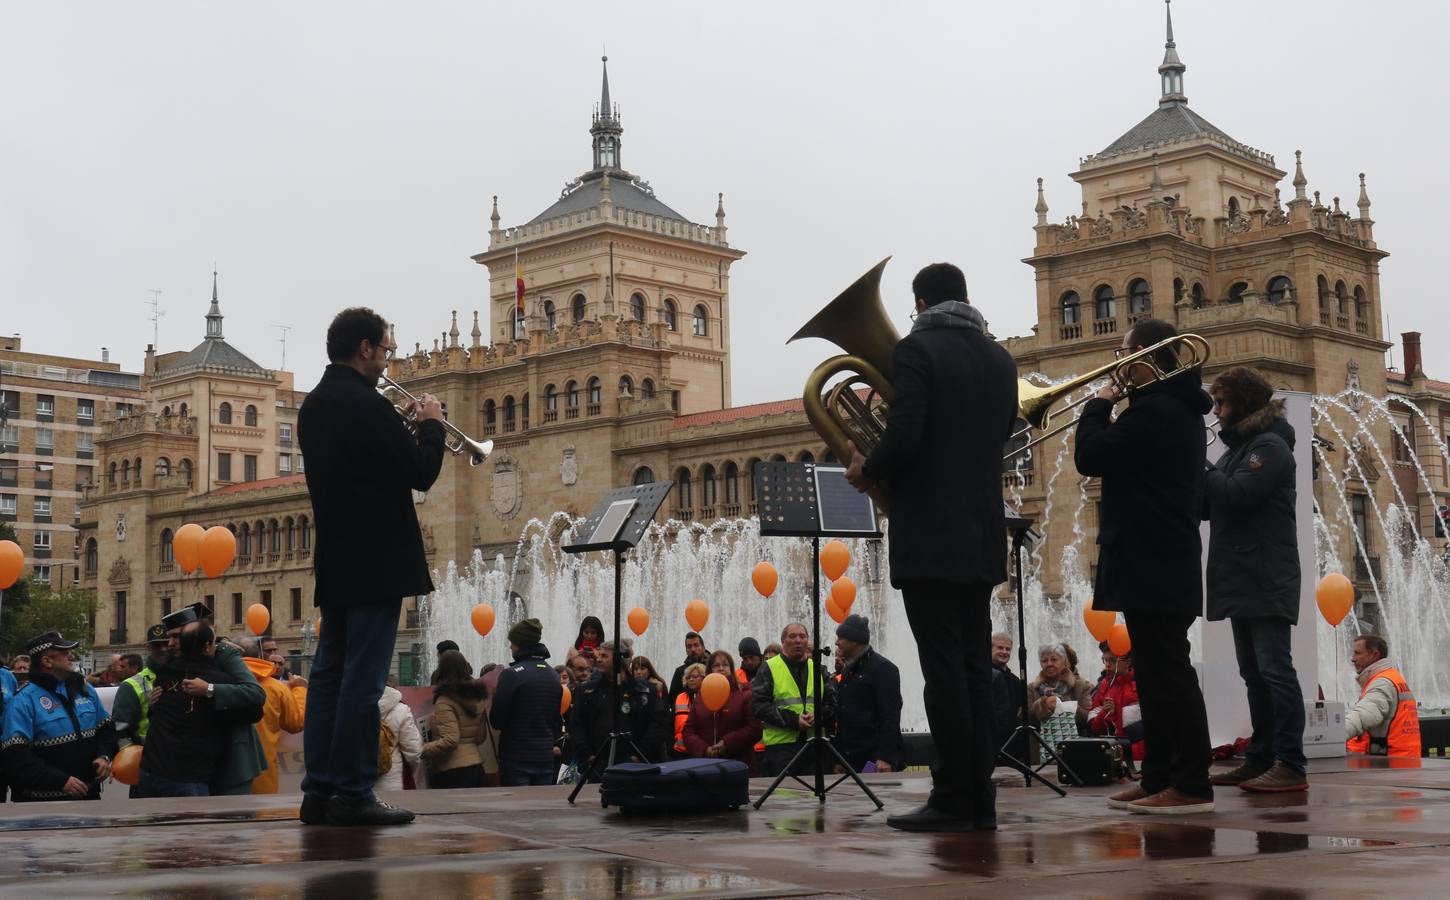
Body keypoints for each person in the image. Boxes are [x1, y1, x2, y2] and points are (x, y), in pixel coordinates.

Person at [845, 262, 1017, 832]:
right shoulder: (1000, 358)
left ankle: (951, 798)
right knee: (972, 670)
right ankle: (979, 796)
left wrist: (869, 468)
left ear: (919, 303)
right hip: (982, 534)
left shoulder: (917, 352)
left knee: (943, 673)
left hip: (932, 534)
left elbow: (908, 433)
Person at [298, 306, 445, 826]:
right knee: (363, 683)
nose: (388, 359)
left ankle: (318, 790)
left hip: (336, 560)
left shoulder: (312, 406)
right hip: (379, 560)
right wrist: (429, 426)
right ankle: (355, 792)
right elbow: (421, 473)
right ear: (364, 348)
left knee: (330, 677)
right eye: (386, 349)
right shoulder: (367, 405)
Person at [1075, 317, 1215, 815]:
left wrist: (1097, 403)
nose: (1117, 360)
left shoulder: (1157, 411)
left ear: (1148, 358)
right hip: (1154, 556)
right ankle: (1158, 777)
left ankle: (1191, 783)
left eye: (1124, 351)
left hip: (1153, 557)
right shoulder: (1166, 409)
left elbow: (1090, 455)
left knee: (1169, 674)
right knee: (1155, 675)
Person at [1202, 367, 1308, 793]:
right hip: (1245, 574)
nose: (1217, 411)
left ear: (1243, 403)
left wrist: (1199, 464)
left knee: (1274, 670)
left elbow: (1238, 495)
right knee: (1254, 673)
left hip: (1264, 575)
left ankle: (1291, 763)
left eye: (1223, 402)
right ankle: (1261, 756)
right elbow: (1215, 502)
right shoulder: (1242, 448)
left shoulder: (1270, 446)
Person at [0, 631, 117, 801]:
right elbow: (16, 756)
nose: (70, 657)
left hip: (89, 797)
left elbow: (106, 729)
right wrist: (60, 781)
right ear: (47, 661)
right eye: (64, 653)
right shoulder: (23, 701)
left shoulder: (84, 690)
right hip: (41, 805)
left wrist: (104, 756)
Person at [137, 622, 240, 797]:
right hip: (188, 777)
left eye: (174, 638)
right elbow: (252, 711)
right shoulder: (217, 680)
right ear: (207, 646)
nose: (169, 644)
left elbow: (157, 713)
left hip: (150, 770)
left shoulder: (164, 673)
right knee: (191, 824)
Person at [752, 623, 836, 778]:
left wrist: (818, 715)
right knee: (786, 797)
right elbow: (759, 706)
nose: (798, 640)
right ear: (783, 641)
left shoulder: (818, 669)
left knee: (815, 799)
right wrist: (794, 720)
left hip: (815, 746)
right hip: (781, 749)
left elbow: (832, 704)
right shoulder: (768, 668)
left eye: (802, 636)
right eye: (792, 636)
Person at [569, 641, 665, 775]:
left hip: (635, 764)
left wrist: (640, 754)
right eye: (599, 655)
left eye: (604, 656)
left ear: (618, 659)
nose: (598, 659)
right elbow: (576, 724)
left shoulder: (644, 690)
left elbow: (658, 723)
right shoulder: (588, 690)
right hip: (598, 765)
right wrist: (587, 755)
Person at [490, 618, 563, 787]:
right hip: (545, 756)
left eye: (512, 643)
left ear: (519, 644)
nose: (510, 647)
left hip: (517, 757)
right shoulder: (553, 675)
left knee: (518, 808)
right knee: (540, 809)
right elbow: (555, 720)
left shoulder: (512, 675)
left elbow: (497, 720)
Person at [236, 637, 308, 795]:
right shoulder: (275, 687)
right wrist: (300, 691)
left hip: (223, 776)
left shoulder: (217, 683)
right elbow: (296, 723)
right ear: (260, 656)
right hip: (262, 774)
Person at [833, 614, 904, 774]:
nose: (836, 642)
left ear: (855, 641)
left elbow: (890, 715)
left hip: (874, 760)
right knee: (853, 799)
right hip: (851, 759)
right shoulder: (848, 670)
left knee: (874, 797)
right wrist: (840, 758)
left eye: (841, 638)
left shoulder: (883, 668)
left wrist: (885, 757)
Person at [683, 650, 762, 772]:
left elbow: (755, 729)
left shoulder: (745, 694)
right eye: (716, 665)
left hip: (739, 765)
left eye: (725, 665)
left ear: (731, 668)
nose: (721, 668)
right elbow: (688, 731)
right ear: (709, 670)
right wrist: (704, 749)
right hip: (706, 767)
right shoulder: (700, 697)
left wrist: (727, 743)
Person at [1345, 634, 1420, 757]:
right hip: (1403, 761)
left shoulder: (1383, 683)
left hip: (1389, 765)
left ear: (1374, 655)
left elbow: (1363, 716)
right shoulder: (1392, 677)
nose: (1353, 659)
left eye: (1358, 653)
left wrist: (1333, 735)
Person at [421, 650, 488, 788]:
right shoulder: (477, 697)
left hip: (452, 770)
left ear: (442, 670)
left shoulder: (445, 700)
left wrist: (421, 750)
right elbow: (480, 737)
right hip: (476, 766)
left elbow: (450, 740)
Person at [111, 624, 171, 762]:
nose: (163, 649)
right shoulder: (131, 685)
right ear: (148, 647)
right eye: (157, 646)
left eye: (166, 644)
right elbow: (120, 729)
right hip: (146, 758)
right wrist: (129, 760)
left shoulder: (183, 676)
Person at [1086, 650, 1143, 762]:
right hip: (1112, 756)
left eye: (1112, 660)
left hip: (1140, 757)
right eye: (1105, 660)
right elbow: (1094, 728)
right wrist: (1105, 713)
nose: (1107, 664)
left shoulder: (1142, 684)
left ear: (1127, 662)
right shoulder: (1103, 686)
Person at [1027, 643, 1092, 729]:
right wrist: (1042, 705)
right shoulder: (1032, 688)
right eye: (1044, 661)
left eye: (1054, 659)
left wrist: (1065, 706)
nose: (1049, 664)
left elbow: (1088, 719)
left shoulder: (1081, 686)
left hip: (1074, 741)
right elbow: (1023, 720)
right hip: (1040, 741)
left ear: (1064, 662)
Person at [377, 677, 423, 793]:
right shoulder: (401, 709)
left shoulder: (353, 706)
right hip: (391, 782)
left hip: (358, 783)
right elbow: (413, 751)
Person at [989, 632, 1025, 758]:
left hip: (1011, 741)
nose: (1004, 652)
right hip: (990, 740)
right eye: (1000, 648)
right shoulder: (982, 677)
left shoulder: (1015, 681)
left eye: (1008, 649)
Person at [672, 663, 706, 758]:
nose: (691, 679)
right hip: (680, 751)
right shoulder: (680, 697)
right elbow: (671, 722)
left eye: (695, 676)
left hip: (701, 752)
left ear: (704, 678)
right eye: (688, 677)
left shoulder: (709, 697)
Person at [668, 632, 711, 699]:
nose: (693, 649)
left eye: (696, 645)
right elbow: (672, 699)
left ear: (703, 647)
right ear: (686, 650)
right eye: (689, 646)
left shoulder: (712, 669)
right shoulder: (680, 672)